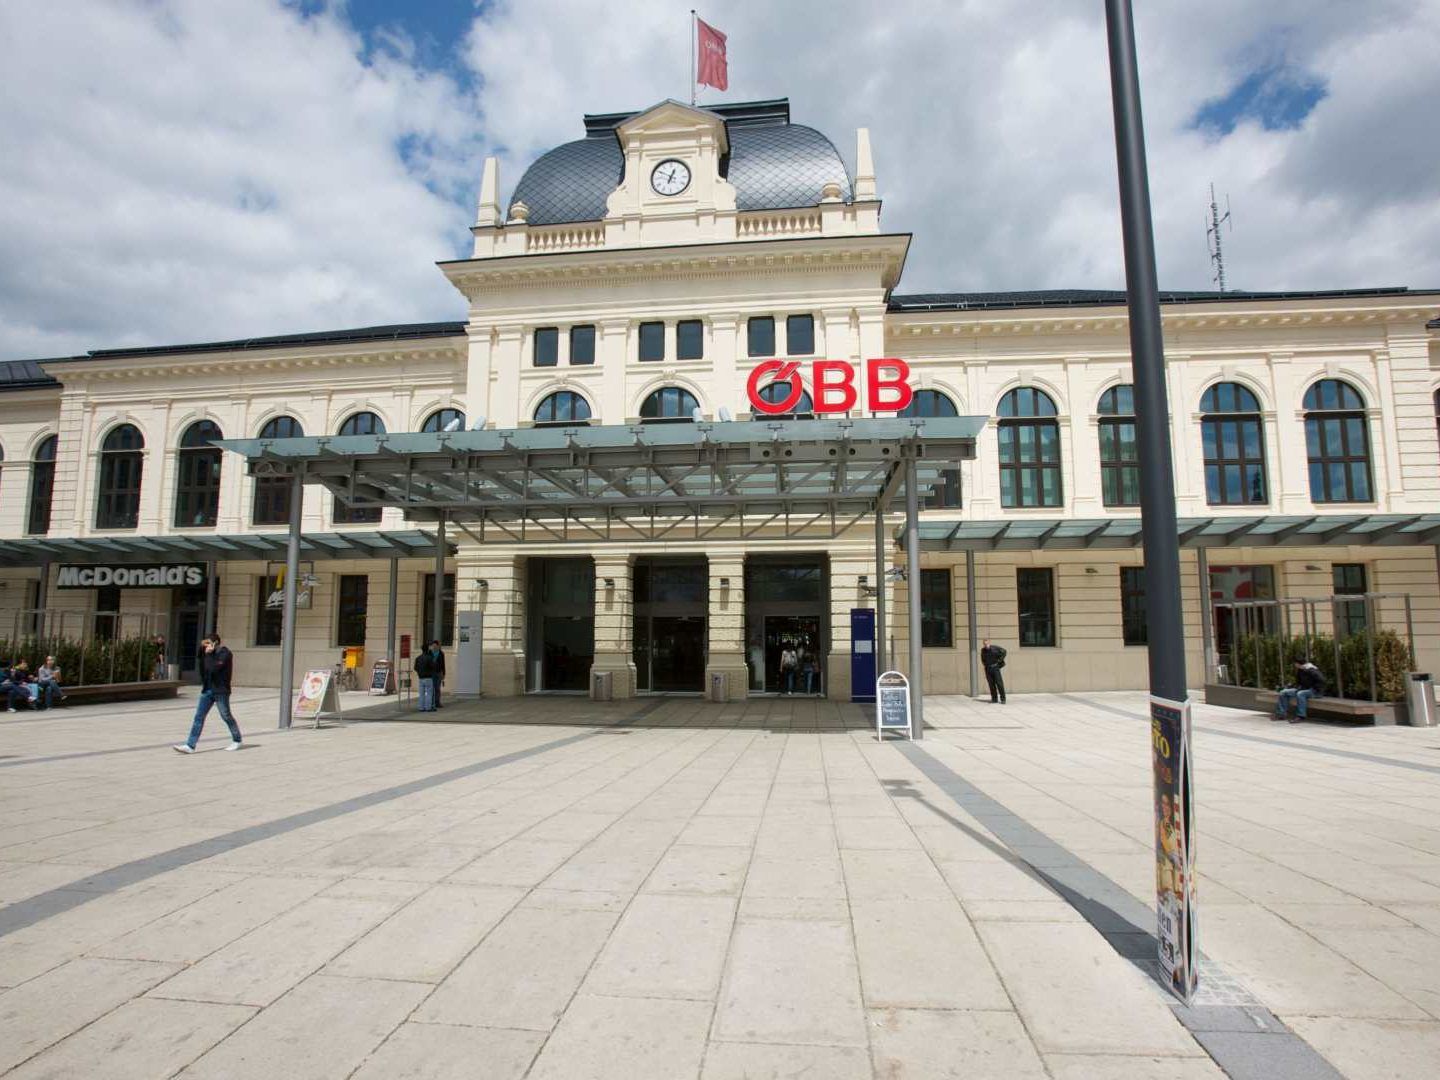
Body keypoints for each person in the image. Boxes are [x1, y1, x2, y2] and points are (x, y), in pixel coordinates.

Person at [172, 634, 242, 753]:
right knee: (199, 717)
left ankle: (237, 739)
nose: (207, 646)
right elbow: (202, 666)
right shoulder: (208, 654)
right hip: (207, 690)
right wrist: (203, 651)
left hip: (220, 690)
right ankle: (190, 745)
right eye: (206, 643)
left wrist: (209, 655)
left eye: (209, 643)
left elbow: (214, 669)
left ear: (216, 643)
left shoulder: (225, 654)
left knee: (226, 715)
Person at [1275, 659, 1325, 723]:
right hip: (1303, 689)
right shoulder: (1300, 670)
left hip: (1315, 691)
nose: (1294, 665)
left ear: (1298, 664)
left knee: (1300, 694)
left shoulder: (1311, 670)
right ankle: (1281, 714)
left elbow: (1322, 680)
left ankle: (1300, 716)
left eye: (1295, 663)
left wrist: (1315, 688)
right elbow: (1298, 682)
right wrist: (1290, 687)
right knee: (1283, 692)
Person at [980, 639, 1007, 704]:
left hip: (995, 668)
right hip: (988, 669)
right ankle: (994, 698)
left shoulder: (995, 648)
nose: (986, 645)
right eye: (984, 644)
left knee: (999, 684)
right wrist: (984, 664)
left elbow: (1004, 651)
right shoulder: (983, 650)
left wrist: (999, 661)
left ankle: (1003, 699)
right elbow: (982, 658)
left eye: (987, 644)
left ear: (989, 643)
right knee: (991, 684)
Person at [414, 646, 436, 712]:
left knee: (421, 694)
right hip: (428, 678)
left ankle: (421, 707)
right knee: (429, 693)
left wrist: (419, 672)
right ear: (427, 650)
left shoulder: (418, 658)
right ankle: (428, 708)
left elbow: (415, 668)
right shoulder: (429, 658)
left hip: (421, 678)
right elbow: (433, 666)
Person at [427, 639, 446, 709]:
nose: (434, 647)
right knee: (431, 688)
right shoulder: (429, 653)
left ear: (438, 646)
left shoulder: (441, 653)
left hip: (438, 673)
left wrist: (444, 673)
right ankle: (431, 702)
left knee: (437, 688)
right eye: (433, 646)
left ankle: (437, 702)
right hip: (431, 673)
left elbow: (443, 664)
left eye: (436, 646)